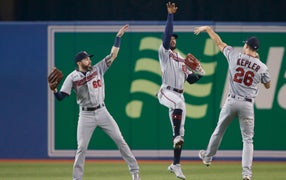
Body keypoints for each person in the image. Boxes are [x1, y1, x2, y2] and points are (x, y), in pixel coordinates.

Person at [50, 24, 141, 180]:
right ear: (79, 62)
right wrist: (54, 90)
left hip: (102, 111)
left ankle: (135, 172)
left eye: (89, 58)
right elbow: (60, 97)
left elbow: (113, 55)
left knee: (120, 140)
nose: (89, 60)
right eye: (86, 58)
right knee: (81, 148)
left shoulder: (98, 69)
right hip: (85, 115)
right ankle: (76, 178)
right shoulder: (72, 77)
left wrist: (117, 38)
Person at [194, 26, 271, 180]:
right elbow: (267, 85)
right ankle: (247, 174)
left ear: (246, 46)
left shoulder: (234, 55)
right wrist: (258, 63)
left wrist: (208, 29)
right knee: (248, 140)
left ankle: (208, 157)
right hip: (247, 104)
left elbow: (219, 42)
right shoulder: (262, 67)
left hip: (232, 101)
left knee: (219, 130)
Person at [157, 2, 205, 180]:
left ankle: (176, 165)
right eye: (170, 38)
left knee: (182, 134)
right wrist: (170, 15)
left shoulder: (182, 59)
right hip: (166, 92)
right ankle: (175, 136)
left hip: (179, 94)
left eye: (175, 38)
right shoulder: (163, 52)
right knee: (177, 107)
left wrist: (200, 73)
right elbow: (167, 35)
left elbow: (190, 80)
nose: (172, 39)